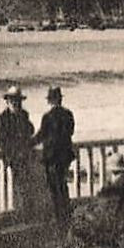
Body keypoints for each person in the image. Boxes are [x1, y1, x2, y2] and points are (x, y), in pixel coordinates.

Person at [30, 85, 76, 225]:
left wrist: (27, 143)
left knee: (54, 188)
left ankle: (59, 216)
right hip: (65, 157)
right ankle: (66, 214)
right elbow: (71, 132)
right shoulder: (68, 114)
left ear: (50, 101)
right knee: (63, 186)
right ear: (60, 100)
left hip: (52, 157)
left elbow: (40, 135)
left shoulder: (48, 117)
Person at [0, 85, 38, 218]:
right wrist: (11, 152)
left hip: (25, 155)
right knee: (17, 185)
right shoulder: (2, 118)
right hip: (13, 157)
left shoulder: (24, 115)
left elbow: (31, 130)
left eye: (17, 101)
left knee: (28, 185)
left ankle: (27, 213)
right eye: (13, 101)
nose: (15, 103)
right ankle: (19, 213)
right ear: (7, 102)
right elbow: (1, 140)